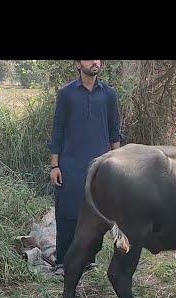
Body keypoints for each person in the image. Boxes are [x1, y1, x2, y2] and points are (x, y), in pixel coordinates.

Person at [49, 60, 122, 276]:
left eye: (98, 59)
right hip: (70, 166)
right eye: (89, 59)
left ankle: (88, 261)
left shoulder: (109, 95)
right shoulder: (67, 94)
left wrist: (117, 163)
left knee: (98, 215)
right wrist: (55, 165)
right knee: (68, 214)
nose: (95, 62)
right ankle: (63, 262)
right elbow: (58, 131)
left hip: (101, 168)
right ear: (78, 64)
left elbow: (114, 132)